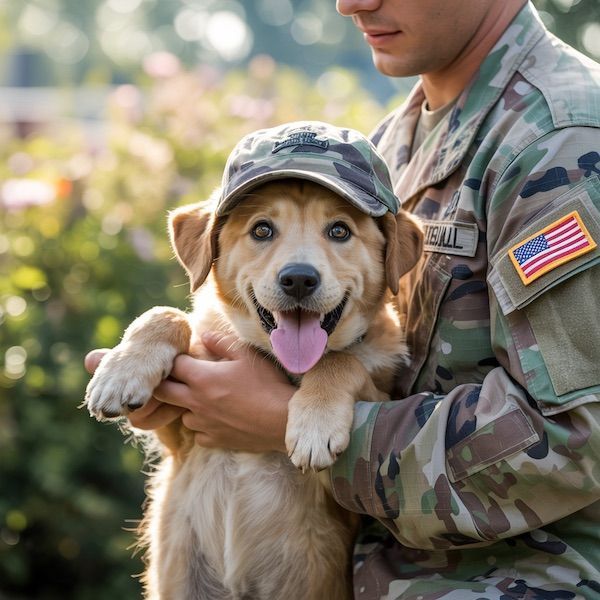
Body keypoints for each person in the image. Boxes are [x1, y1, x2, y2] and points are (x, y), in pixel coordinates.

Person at [86, 0, 600, 597]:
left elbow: (574, 441)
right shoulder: (396, 142)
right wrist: (192, 403)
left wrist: (282, 424)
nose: (351, 3)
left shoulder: (561, 145)